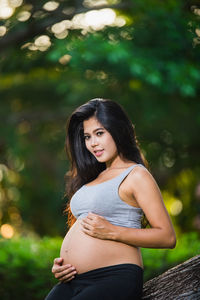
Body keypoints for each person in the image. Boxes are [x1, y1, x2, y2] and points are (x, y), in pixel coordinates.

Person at [45, 98, 176, 300]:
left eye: (99, 133)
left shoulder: (136, 175)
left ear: (119, 131)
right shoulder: (92, 178)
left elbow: (167, 237)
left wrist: (112, 231)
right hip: (73, 281)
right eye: (87, 137)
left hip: (113, 278)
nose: (92, 143)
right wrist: (63, 264)